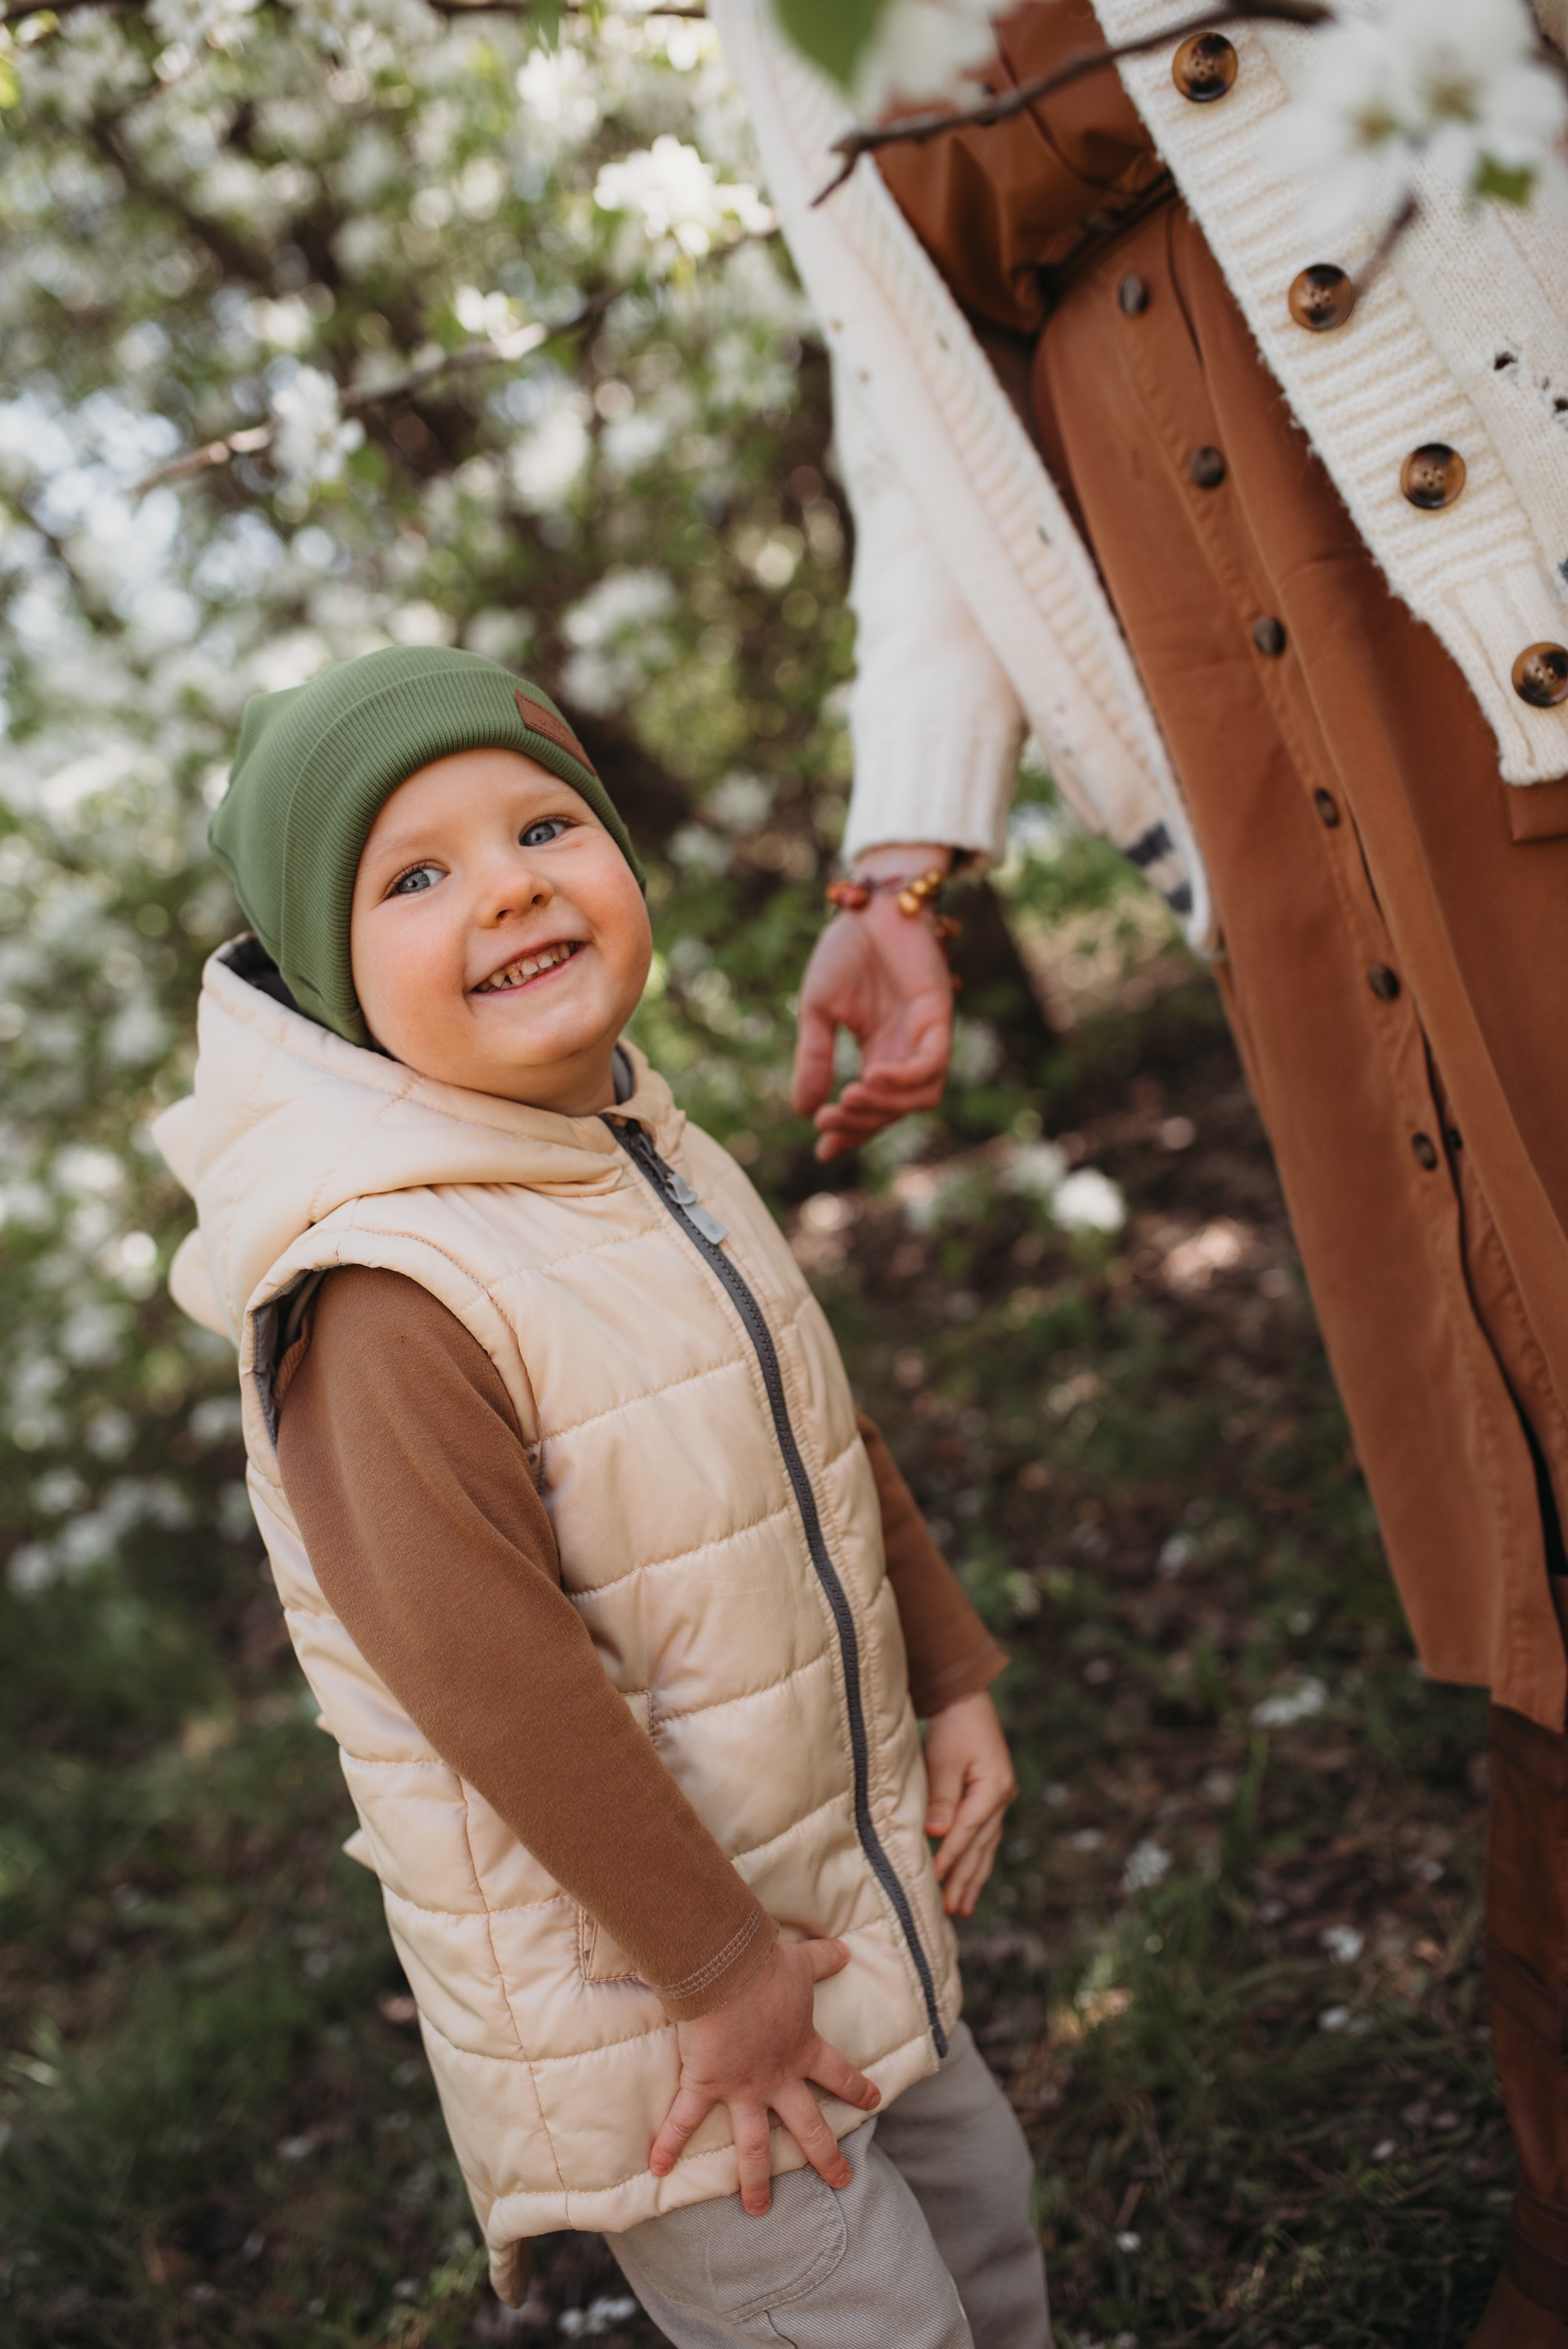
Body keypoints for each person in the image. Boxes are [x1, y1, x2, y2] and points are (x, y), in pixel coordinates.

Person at [710, 3, 1568, 2341]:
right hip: (1231, 713)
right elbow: (908, 407)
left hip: (1480, 527)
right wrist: (902, 863)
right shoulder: (763, 30)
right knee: (1486, 1406)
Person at [152, 644, 1051, 2348]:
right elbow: (493, 1685)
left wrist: (952, 1671)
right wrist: (717, 1978)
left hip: (825, 1908)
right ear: (335, 978)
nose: (506, 888)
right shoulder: (385, 1291)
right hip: (670, 2026)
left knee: (989, 2233)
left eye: (544, 825)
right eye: (415, 875)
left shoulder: (635, 1145)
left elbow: (811, 1416)